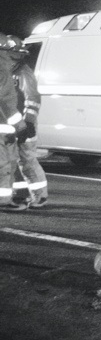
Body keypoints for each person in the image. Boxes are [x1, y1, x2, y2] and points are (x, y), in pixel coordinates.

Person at [8, 35, 47, 208]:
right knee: (11, 161)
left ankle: (40, 195)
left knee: (27, 160)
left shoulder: (23, 73)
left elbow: (33, 98)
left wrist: (29, 122)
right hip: (9, 124)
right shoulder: (5, 72)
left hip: (24, 124)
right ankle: (19, 195)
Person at [0, 33, 27, 212]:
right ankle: (3, 201)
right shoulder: (2, 69)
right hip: (3, 126)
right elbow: (6, 100)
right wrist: (20, 125)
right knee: (4, 164)